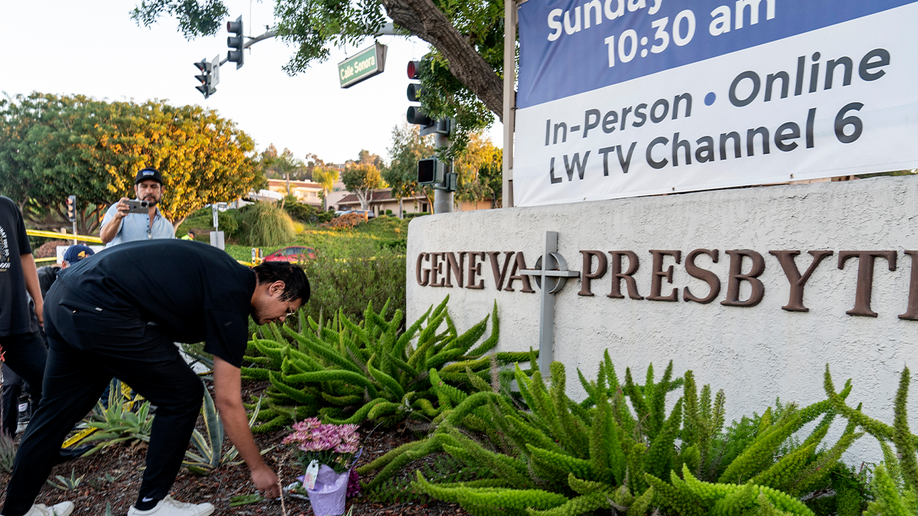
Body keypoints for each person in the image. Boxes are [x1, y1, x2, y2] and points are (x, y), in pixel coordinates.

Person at [2, 239, 310, 516]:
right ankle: (150, 506)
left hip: (65, 295)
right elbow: (228, 401)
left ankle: (17, 510)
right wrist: (258, 468)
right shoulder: (232, 295)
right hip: (97, 307)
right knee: (184, 395)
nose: (282, 320)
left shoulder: (222, 272)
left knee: (54, 413)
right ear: (276, 287)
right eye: (288, 310)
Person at [2, 245, 96, 436]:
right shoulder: (43, 278)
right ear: (63, 265)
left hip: (47, 337)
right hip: (21, 333)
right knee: (13, 384)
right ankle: (7, 437)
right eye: (77, 267)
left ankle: (44, 432)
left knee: (47, 383)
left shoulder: (86, 284)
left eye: (86, 268)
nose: (81, 273)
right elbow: (44, 322)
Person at [0, 196, 49, 444]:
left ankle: (43, 449)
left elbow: (24, 255)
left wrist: (39, 302)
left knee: (47, 380)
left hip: (17, 320)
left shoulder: (7, 207)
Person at [99, 167, 174, 247]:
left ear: (162, 190)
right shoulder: (120, 210)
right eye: (144, 186)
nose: (149, 191)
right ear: (136, 189)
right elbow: (104, 238)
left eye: (154, 186)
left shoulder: (167, 227)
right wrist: (117, 217)